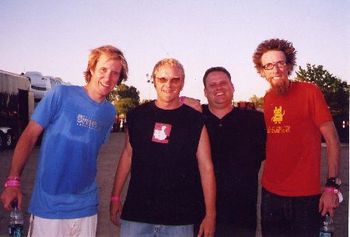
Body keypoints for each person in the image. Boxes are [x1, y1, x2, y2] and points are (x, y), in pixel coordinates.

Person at [1, 45, 128, 237]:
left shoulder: (109, 113)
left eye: (115, 73)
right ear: (92, 68)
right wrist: (13, 182)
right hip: (49, 208)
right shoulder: (61, 95)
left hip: (86, 207)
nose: (108, 77)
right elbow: (29, 137)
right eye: (103, 69)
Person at [109, 58, 216, 237]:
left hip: (179, 219)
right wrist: (115, 197)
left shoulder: (195, 120)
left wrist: (210, 214)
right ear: (154, 80)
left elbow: (206, 168)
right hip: (137, 214)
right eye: (162, 79)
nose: (169, 84)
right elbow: (128, 155)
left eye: (175, 79)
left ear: (183, 82)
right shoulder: (137, 116)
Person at [252, 38, 341, 236]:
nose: (275, 69)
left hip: (305, 197)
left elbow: (333, 139)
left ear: (289, 65)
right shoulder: (267, 99)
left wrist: (331, 187)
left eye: (280, 63)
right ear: (262, 71)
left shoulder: (310, 91)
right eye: (268, 65)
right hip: (270, 195)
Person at [201, 66, 266, 236]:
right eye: (212, 85)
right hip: (200, 216)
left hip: (241, 219)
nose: (218, 88)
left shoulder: (256, 121)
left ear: (232, 87)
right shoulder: (194, 119)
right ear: (205, 92)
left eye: (223, 83)